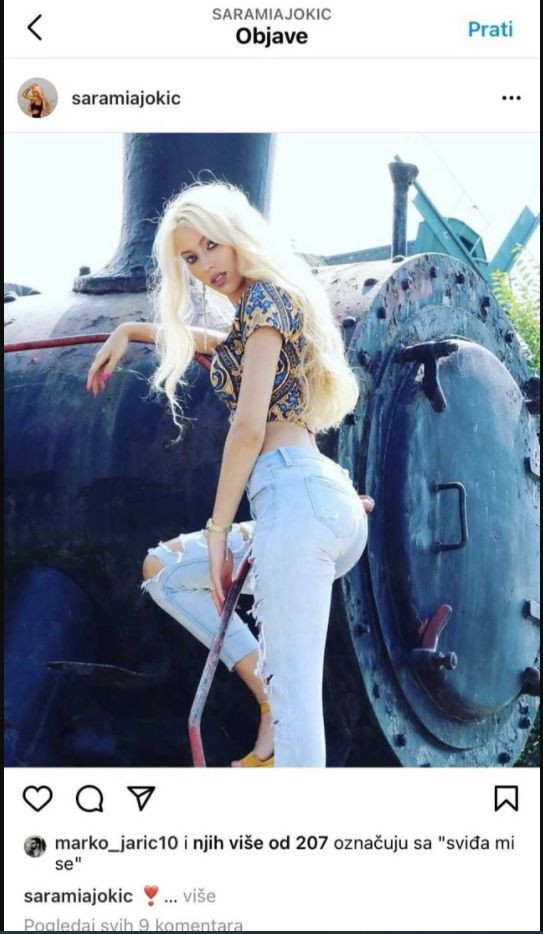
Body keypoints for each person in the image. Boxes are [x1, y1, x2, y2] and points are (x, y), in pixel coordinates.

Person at [86, 180, 374, 768]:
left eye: (211, 245)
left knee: (298, 719)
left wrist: (218, 530)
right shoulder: (261, 312)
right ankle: (264, 693)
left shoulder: (267, 300)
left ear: (237, 234)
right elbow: (215, 342)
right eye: (190, 258)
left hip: (295, 498)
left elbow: (247, 429)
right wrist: (130, 330)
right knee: (166, 571)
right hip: (307, 500)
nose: (205, 265)